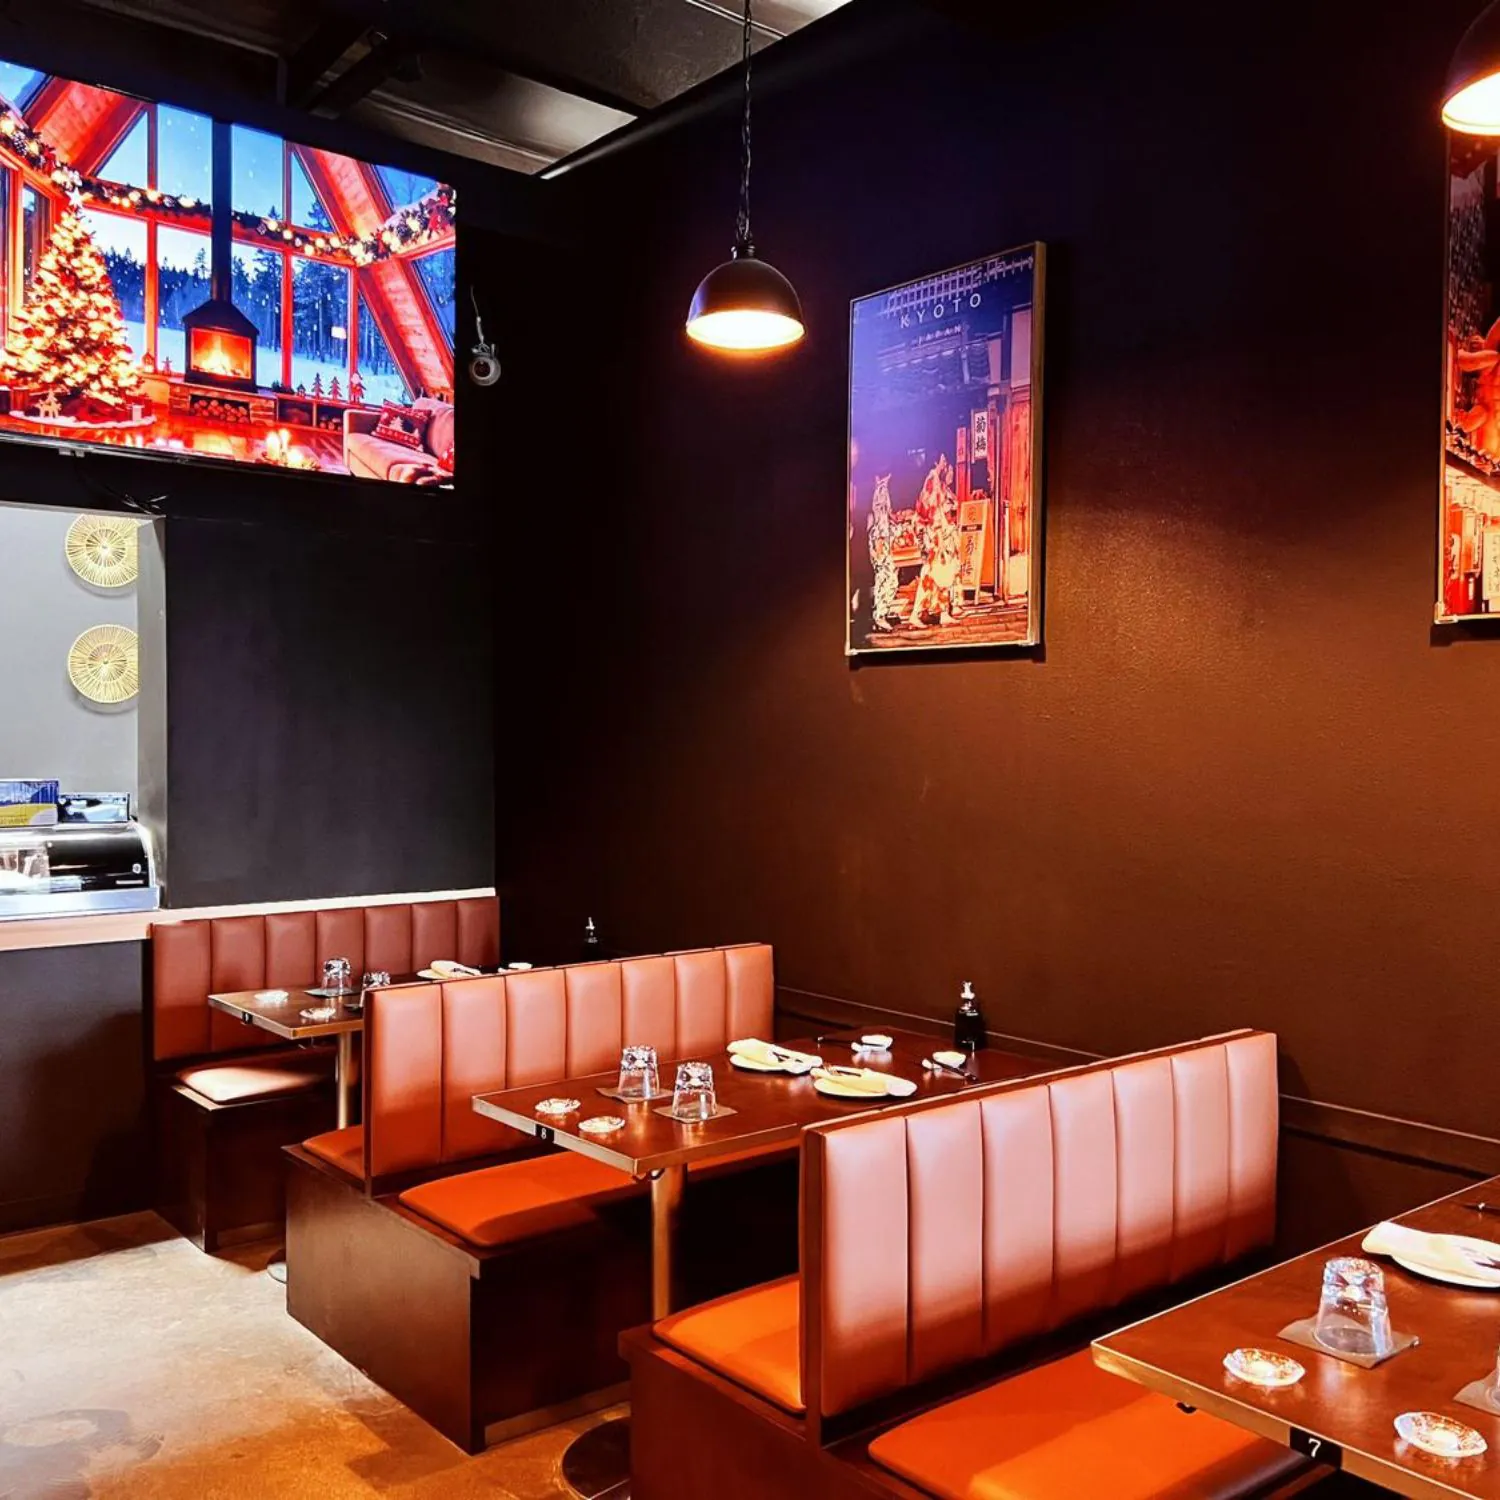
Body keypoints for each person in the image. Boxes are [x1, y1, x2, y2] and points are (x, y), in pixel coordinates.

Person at [867, 474, 898, 630]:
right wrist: (880, 542)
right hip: (881, 539)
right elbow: (880, 518)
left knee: (886, 578)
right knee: (887, 579)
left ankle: (881, 614)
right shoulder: (881, 489)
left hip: (881, 538)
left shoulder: (879, 489)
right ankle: (879, 616)